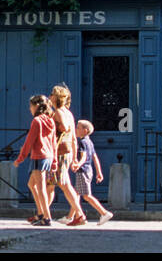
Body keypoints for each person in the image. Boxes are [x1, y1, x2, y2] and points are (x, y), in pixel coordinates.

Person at [14, 93, 56, 225]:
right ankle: (41, 213)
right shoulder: (51, 121)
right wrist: (54, 160)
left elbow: (29, 142)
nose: (30, 109)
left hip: (39, 156)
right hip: (48, 156)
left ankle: (46, 217)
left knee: (40, 186)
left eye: (31, 106)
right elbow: (54, 142)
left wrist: (20, 158)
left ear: (37, 106)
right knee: (31, 184)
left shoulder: (37, 121)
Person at [47, 84, 86, 225]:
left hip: (60, 153)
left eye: (52, 94)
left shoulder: (57, 113)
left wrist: (56, 126)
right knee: (50, 185)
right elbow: (74, 138)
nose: (49, 96)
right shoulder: (69, 113)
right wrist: (74, 157)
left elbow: (63, 127)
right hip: (67, 152)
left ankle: (80, 214)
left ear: (56, 97)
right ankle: (43, 214)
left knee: (64, 183)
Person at [74, 120, 114, 225]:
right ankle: (73, 216)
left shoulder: (82, 142)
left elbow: (84, 157)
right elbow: (94, 157)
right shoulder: (89, 142)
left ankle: (104, 213)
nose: (75, 129)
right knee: (76, 194)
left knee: (86, 195)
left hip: (82, 170)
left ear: (85, 130)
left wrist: (78, 164)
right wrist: (99, 172)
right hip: (89, 170)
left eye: (78, 128)